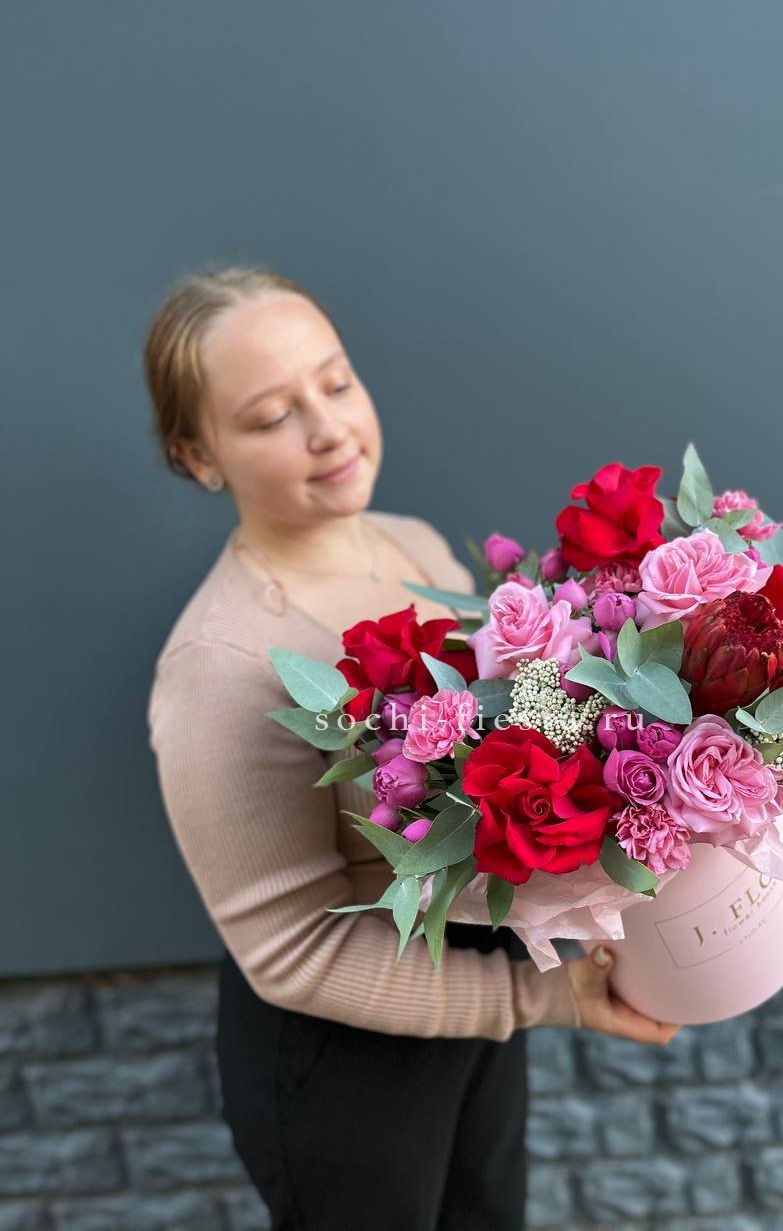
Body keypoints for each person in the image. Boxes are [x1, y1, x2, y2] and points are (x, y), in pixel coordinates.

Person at [143, 264, 681, 1231]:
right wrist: (536, 998)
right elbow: (292, 948)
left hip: (474, 1011)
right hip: (344, 1067)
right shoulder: (220, 667)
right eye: (272, 416)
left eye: (336, 382)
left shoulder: (415, 548)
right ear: (198, 454)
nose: (329, 429)